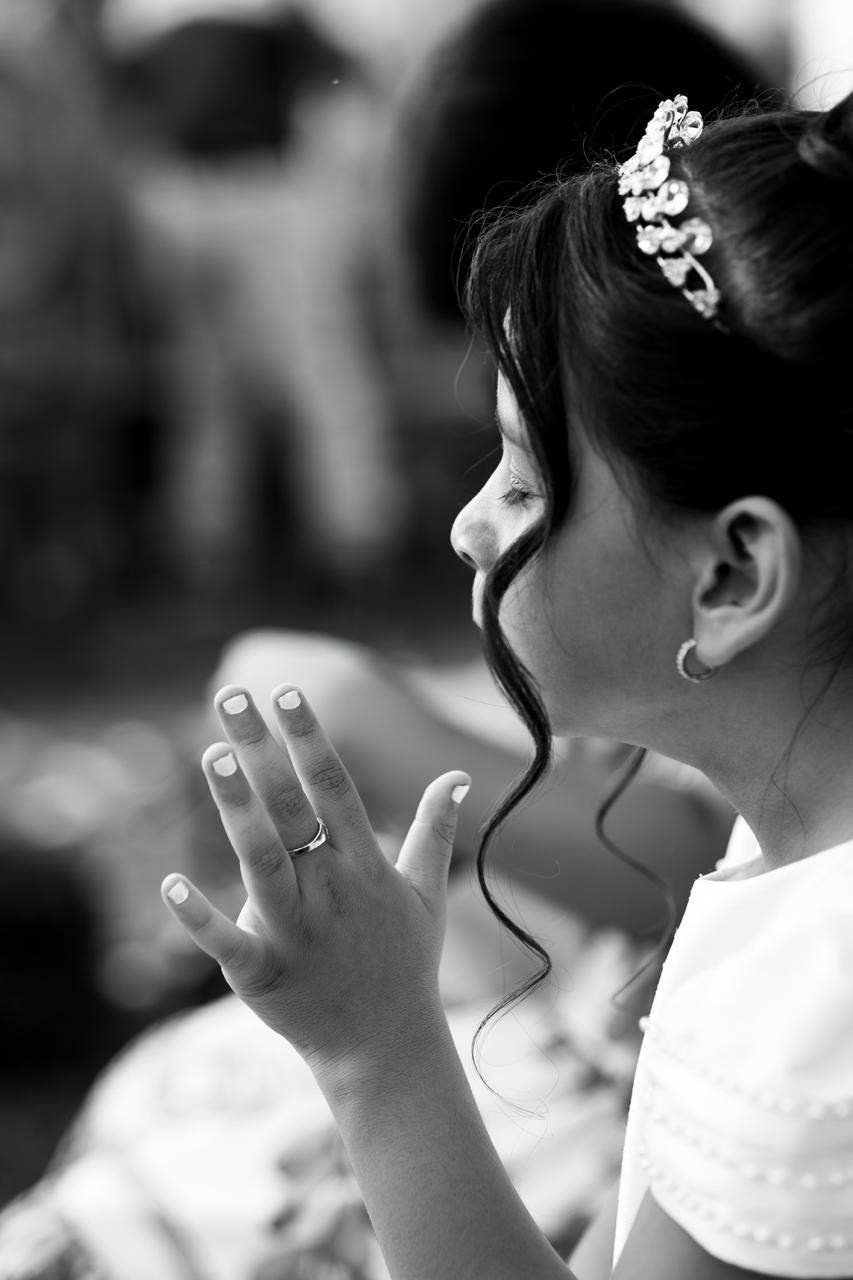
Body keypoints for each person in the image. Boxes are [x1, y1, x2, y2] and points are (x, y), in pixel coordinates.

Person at [162, 85, 853, 1278]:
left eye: (525, 483)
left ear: (733, 573)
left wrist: (373, 1045)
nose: (468, 527)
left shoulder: (814, 1010)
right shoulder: (789, 841)